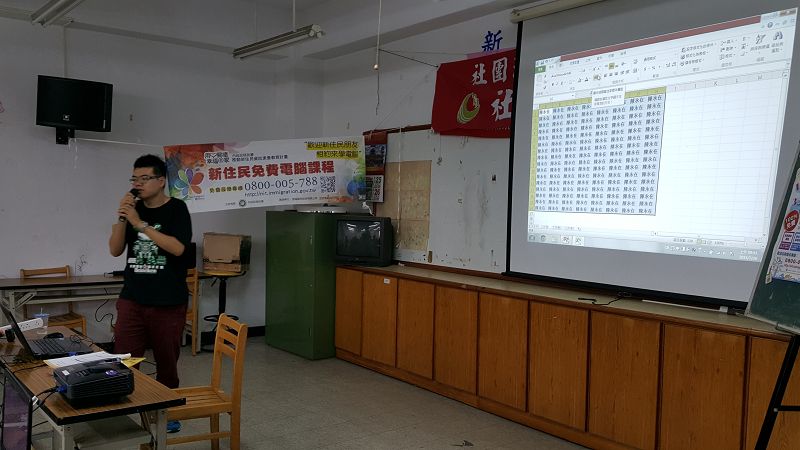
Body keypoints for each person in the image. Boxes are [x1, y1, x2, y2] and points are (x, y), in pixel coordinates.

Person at [109, 154, 191, 433]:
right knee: (124, 360)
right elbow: (115, 250)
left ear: (161, 181)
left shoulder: (177, 209)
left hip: (168, 302)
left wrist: (140, 224)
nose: (138, 184)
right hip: (132, 299)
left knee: (167, 363)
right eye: (135, 179)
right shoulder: (132, 210)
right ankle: (124, 410)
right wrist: (123, 218)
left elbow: (178, 248)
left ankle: (165, 412)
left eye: (145, 179)